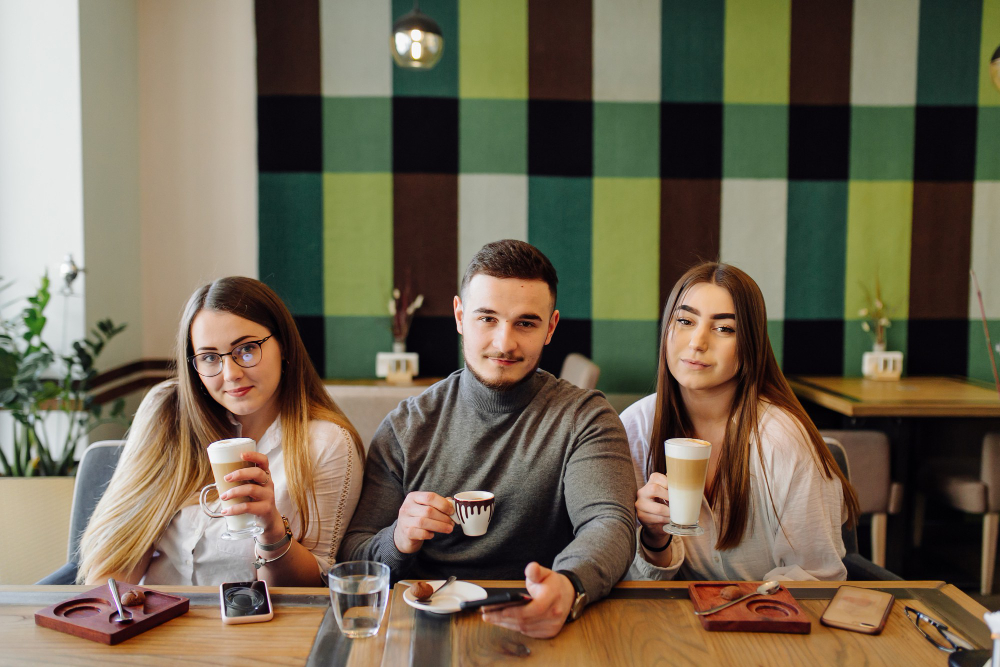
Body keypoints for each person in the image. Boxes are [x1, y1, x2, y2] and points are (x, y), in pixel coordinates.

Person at [339, 240, 636, 639]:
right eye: (487, 318)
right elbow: (355, 555)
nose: (504, 343)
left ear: (550, 328)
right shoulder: (406, 427)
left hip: (543, 617)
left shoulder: (585, 417)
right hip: (424, 626)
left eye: (526, 323)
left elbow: (609, 523)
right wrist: (397, 538)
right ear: (460, 316)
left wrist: (569, 584)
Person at [78, 277, 364, 586]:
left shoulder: (326, 443)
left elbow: (311, 590)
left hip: (256, 628)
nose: (231, 374)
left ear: (283, 346)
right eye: (210, 357)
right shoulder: (168, 413)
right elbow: (117, 561)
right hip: (157, 621)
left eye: (246, 349)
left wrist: (271, 529)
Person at [625, 262, 859, 582]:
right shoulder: (634, 429)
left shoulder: (781, 440)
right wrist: (654, 537)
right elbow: (628, 581)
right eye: (684, 320)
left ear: (749, 345)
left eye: (724, 329)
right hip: (671, 622)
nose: (697, 342)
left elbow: (817, 580)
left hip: (767, 624)